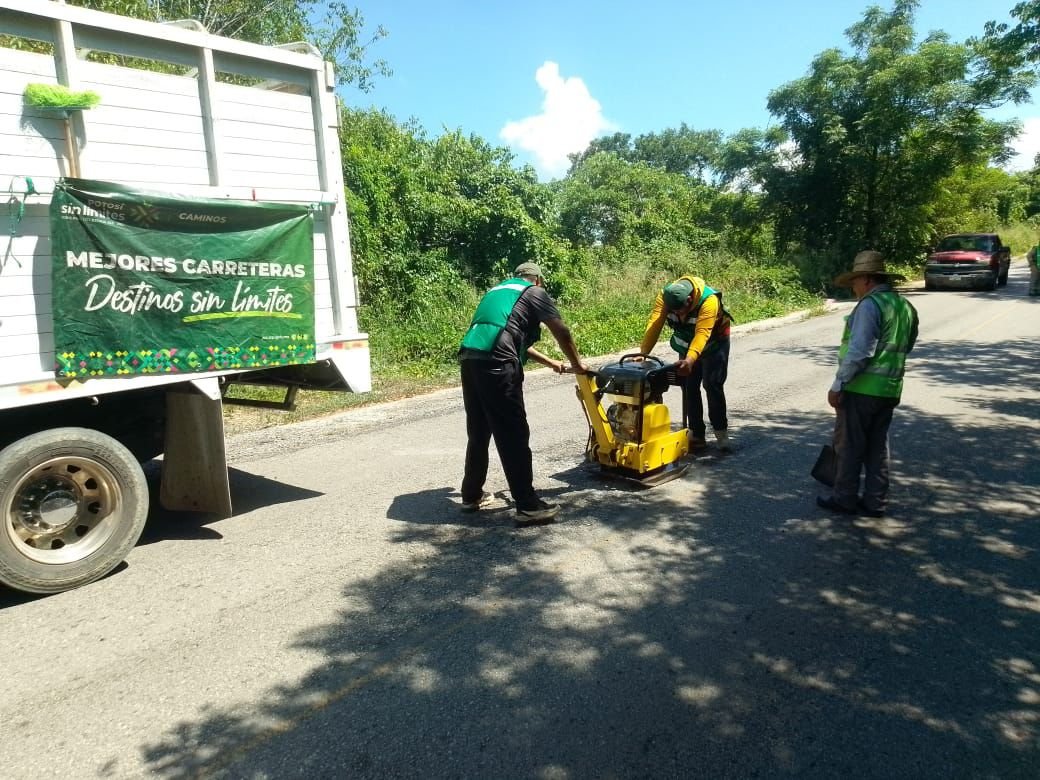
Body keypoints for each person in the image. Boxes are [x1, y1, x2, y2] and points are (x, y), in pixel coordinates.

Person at [458, 262, 588, 526]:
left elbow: (512, 337)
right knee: (513, 432)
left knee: (480, 430)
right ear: (537, 280)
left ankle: (471, 495)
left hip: (471, 360)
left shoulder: (499, 291)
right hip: (497, 364)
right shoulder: (534, 292)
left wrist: (552, 363)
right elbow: (562, 331)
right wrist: (577, 364)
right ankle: (528, 506)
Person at [817, 250, 919, 518]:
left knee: (849, 447)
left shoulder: (870, 306)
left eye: (854, 281)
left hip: (861, 389)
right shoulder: (904, 306)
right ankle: (875, 502)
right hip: (889, 390)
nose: (853, 287)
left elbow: (860, 350)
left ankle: (844, 499)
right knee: (877, 448)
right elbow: (906, 345)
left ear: (866, 280)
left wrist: (839, 384)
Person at [640, 275, 733, 452]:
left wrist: (689, 361)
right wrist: (643, 353)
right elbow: (655, 324)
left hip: (714, 344)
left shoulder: (709, 301)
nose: (679, 316)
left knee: (711, 385)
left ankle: (721, 433)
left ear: (690, 300)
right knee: (689, 385)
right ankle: (697, 434)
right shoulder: (665, 297)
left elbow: (702, 334)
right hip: (687, 342)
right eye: (674, 313)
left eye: (681, 311)